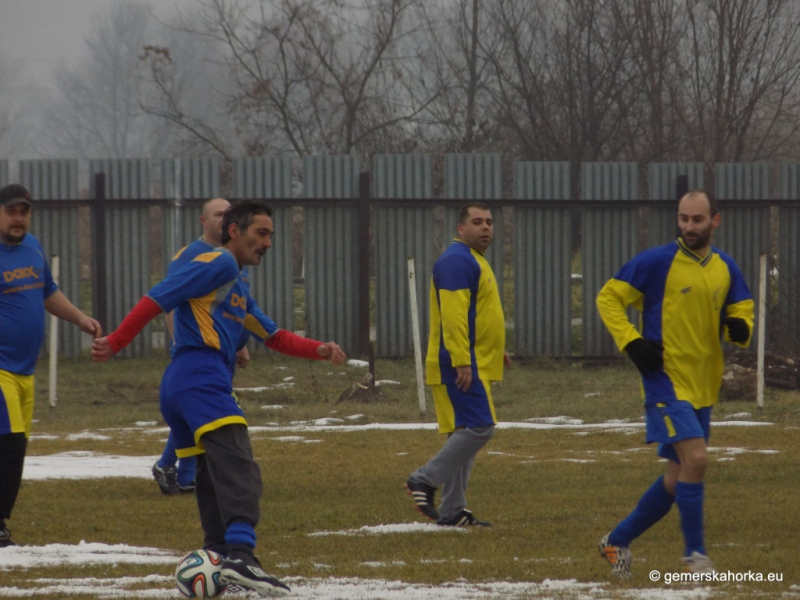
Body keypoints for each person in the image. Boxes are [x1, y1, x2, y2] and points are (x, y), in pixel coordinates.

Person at [91, 199, 345, 596]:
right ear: (234, 232)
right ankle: (242, 557)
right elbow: (160, 295)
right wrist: (118, 340)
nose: (267, 242)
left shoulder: (236, 284)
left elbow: (273, 335)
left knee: (211, 479)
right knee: (240, 466)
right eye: (261, 233)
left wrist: (319, 349)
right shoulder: (221, 263)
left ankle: (219, 556)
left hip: (184, 383)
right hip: (199, 376)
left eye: (271, 235)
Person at [595, 190, 754, 578]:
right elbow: (608, 297)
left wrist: (740, 327)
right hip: (665, 380)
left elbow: (742, 310)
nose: (688, 227)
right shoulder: (656, 261)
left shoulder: (726, 267)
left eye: (697, 220)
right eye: (683, 218)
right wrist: (632, 342)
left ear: (715, 220)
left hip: (703, 384)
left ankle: (617, 540)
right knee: (697, 459)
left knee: (677, 474)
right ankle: (696, 557)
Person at [0, 184, 103, 547]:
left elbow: (47, 291)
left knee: (17, 444)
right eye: (11, 210)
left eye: (23, 211)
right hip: (0, 371)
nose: (18, 218)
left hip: (25, 371)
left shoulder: (32, 246)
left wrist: (80, 319)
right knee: (9, 443)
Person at [405, 202, 511, 527]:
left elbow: (476, 315)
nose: (485, 228)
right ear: (460, 229)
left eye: (489, 222)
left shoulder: (473, 260)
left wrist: (497, 349)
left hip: (470, 360)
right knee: (481, 427)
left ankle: (452, 512)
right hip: (459, 363)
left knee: (464, 431)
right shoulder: (456, 261)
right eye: (477, 222)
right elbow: (453, 317)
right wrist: (461, 360)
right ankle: (423, 479)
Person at [152, 197, 252, 496]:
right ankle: (180, 471)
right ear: (203, 221)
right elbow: (171, 302)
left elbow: (235, 304)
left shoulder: (233, 255)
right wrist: (181, 342)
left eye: (228, 214)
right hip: (198, 353)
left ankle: (179, 471)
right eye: (217, 214)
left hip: (223, 351)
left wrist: (239, 344)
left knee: (200, 415)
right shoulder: (189, 256)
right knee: (198, 413)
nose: (223, 219)